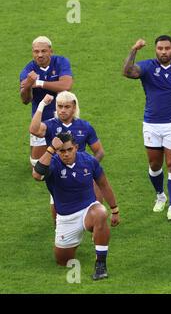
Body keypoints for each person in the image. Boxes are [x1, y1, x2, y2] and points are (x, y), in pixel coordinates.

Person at [122, 35, 171, 222]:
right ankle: (160, 195)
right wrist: (134, 49)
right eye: (160, 49)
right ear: (155, 49)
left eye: (167, 48)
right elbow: (127, 71)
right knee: (155, 165)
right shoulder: (148, 67)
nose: (163, 52)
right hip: (151, 124)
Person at [32, 132, 120, 280]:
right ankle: (87, 236)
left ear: (76, 148)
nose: (66, 154)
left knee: (100, 213)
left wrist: (115, 209)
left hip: (88, 210)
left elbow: (104, 185)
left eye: (69, 150)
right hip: (66, 218)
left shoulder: (89, 161)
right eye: (62, 151)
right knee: (63, 261)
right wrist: (51, 148)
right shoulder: (53, 162)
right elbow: (37, 175)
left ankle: (101, 265)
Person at [29, 91, 105, 223]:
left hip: (81, 170)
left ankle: (96, 229)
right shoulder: (51, 125)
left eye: (66, 107)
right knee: (58, 209)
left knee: (96, 200)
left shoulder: (85, 126)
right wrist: (41, 104)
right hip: (58, 172)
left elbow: (99, 151)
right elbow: (34, 129)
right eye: (59, 106)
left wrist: (90, 166)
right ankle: (59, 228)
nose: (62, 110)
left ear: (74, 107)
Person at [20, 36, 73, 167]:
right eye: (36, 51)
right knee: (36, 164)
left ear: (51, 51)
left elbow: (66, 85)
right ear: (32, 52)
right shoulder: (27, 71)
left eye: (43, 51)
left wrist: (39, 83)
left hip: (62, 116)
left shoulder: (61, 61)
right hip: (41, 118)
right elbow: (25, 100)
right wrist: (28, 85)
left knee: (66, 155)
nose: (40, 55)